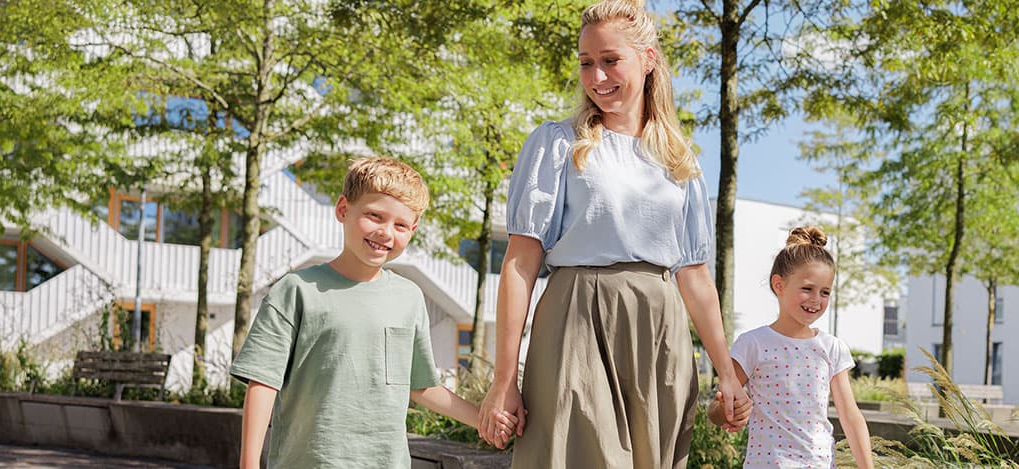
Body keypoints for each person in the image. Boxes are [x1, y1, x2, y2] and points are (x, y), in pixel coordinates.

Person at [475, 0, 751, 467]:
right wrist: (505, 379)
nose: (597, 77)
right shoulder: (557, 145)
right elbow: (520, 264)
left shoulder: (680, 161)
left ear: (648, 60)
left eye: (610, 60)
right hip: (575, 319)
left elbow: (697, 276)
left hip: (659, 329)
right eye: (586, 63)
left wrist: (725, 373)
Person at [231, 157, 481, 468]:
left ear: (413, 230)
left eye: (401, 225)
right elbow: (263, 382)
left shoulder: (410, 298)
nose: (386, 233)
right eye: (374, 216)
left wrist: (483, 420)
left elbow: (420, 386)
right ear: (343, 209)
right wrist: (249, 463)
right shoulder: (296, 290)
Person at [708, 226, 876, 468]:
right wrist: (727, 410)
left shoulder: (832, 348)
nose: (816, 299)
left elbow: (850, 416)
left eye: (825, 292)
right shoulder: (753, 344)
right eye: (807, 289)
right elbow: (716, 408)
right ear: (779, 285)